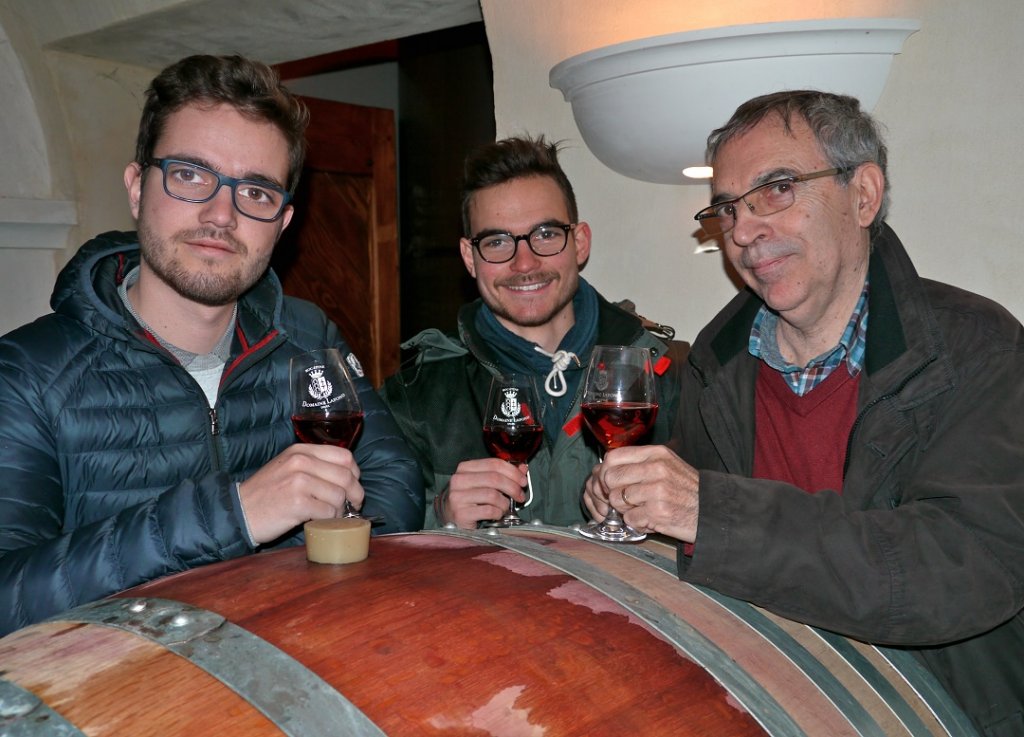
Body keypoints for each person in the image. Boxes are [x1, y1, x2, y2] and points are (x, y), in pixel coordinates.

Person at [584, 90, 1024, 735]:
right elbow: (689, 545)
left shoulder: (978, 348)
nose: (741, 229)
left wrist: (709, 512)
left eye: (778, 188)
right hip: (764, 704)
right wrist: (629, 503)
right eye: (728, 207)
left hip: (946, 715)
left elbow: (960, 570)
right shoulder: (717, 362)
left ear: (864, 194)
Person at [0, 54, 423, 636]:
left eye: (256, 190)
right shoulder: (25, 374)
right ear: (136, 187)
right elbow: (8, 598)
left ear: (282, 221)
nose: (221, 213)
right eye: (191, 174)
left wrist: (291, 568)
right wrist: (235, 514)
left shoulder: (308, 337)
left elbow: (393, 478)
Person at [380, 135, 685, 529]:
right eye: (497, 241)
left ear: (579, 243)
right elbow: (373, 542)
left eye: (545, 234)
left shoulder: (664, 373)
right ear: (469, 259)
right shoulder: (415, 397)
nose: (524, 263)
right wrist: (439, 518)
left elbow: (711, 534)